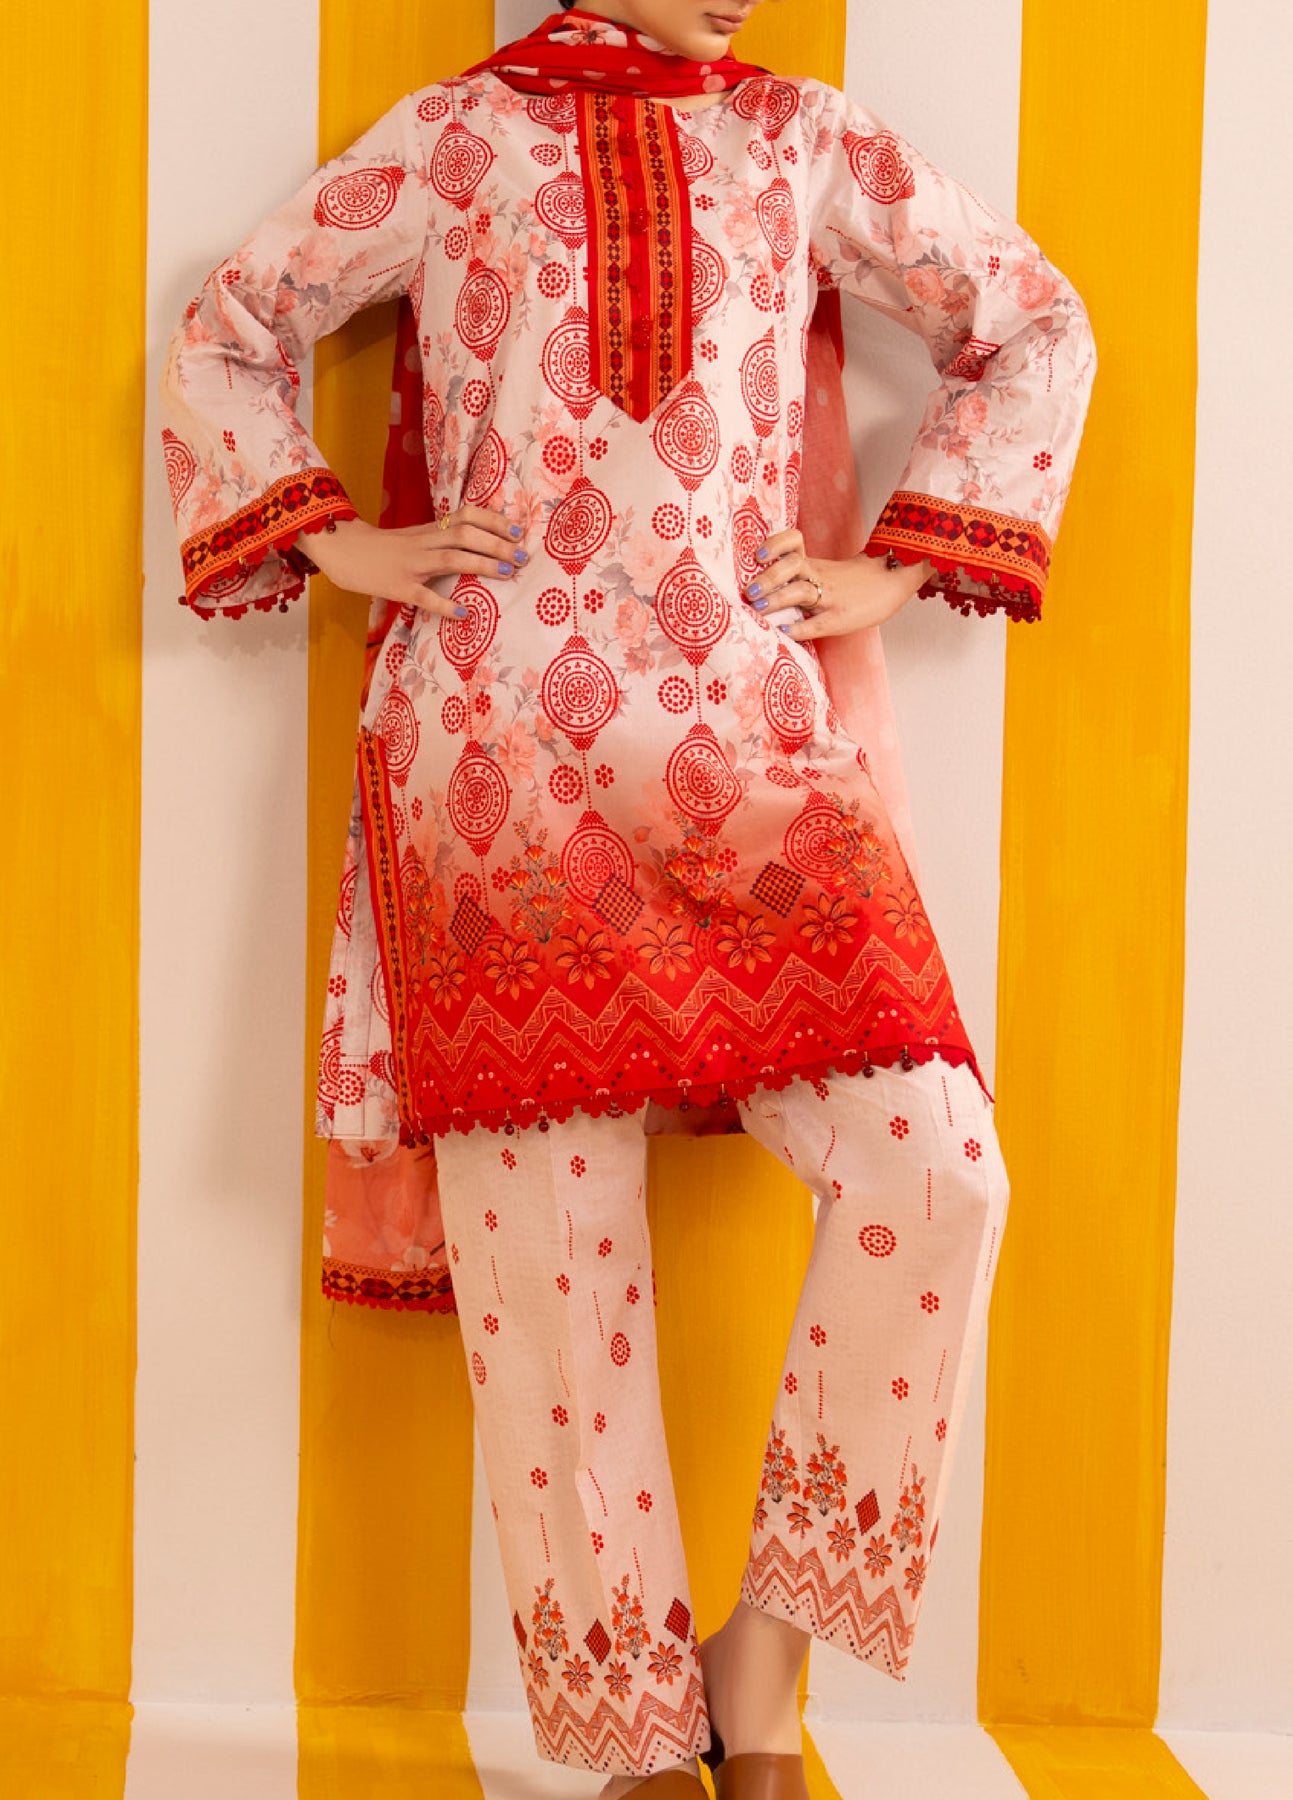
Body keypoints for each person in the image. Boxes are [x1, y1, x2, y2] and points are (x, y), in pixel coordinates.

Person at [161, 3, 1096, 1795]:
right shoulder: (457, 139)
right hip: (496, 755)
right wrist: (335, 538)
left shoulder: (798, 137)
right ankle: (638, 1743)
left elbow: (1030, 318)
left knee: (937, 1169)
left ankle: (760, 1663)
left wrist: (898, 565)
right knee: (550, 1266)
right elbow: (232, 328)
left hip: (746, 741)